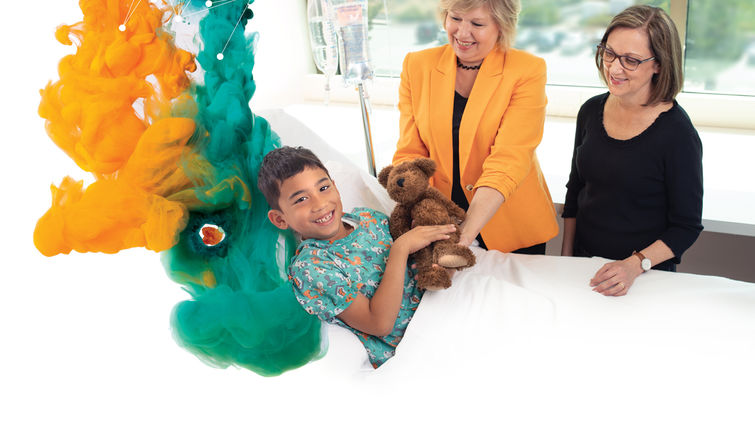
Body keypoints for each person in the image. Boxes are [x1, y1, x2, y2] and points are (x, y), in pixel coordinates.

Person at [257, 146, 456, 368]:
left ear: (336, 187)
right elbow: (379, 323)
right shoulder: (311, 267)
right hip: (416, 346)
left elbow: (425, 261)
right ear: (280, 220)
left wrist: (443, 265)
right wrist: (400, 249)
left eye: (323, 188)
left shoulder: (369, 218)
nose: (320, 204)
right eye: (301, 199)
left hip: (445, 307)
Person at [392, 0, 558, 254]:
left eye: (477, 24)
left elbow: (509, 160)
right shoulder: (417, 66)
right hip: (442, 220)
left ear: (502, 26)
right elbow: (410, 153)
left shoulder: (527, 71)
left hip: (508, 225)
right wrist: (426, 212)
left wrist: (462, 238)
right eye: (455, 18)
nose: (462, 33)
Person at [561, 5, 703, 297]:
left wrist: (635, 265)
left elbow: (686, 227)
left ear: (659, 64)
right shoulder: (591, 110)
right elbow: (576, 191)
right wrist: (565, 260)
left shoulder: (678, 134)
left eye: (631, 60)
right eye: (609, 53)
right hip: (583, 267)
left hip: (643, 278)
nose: (613, 68)